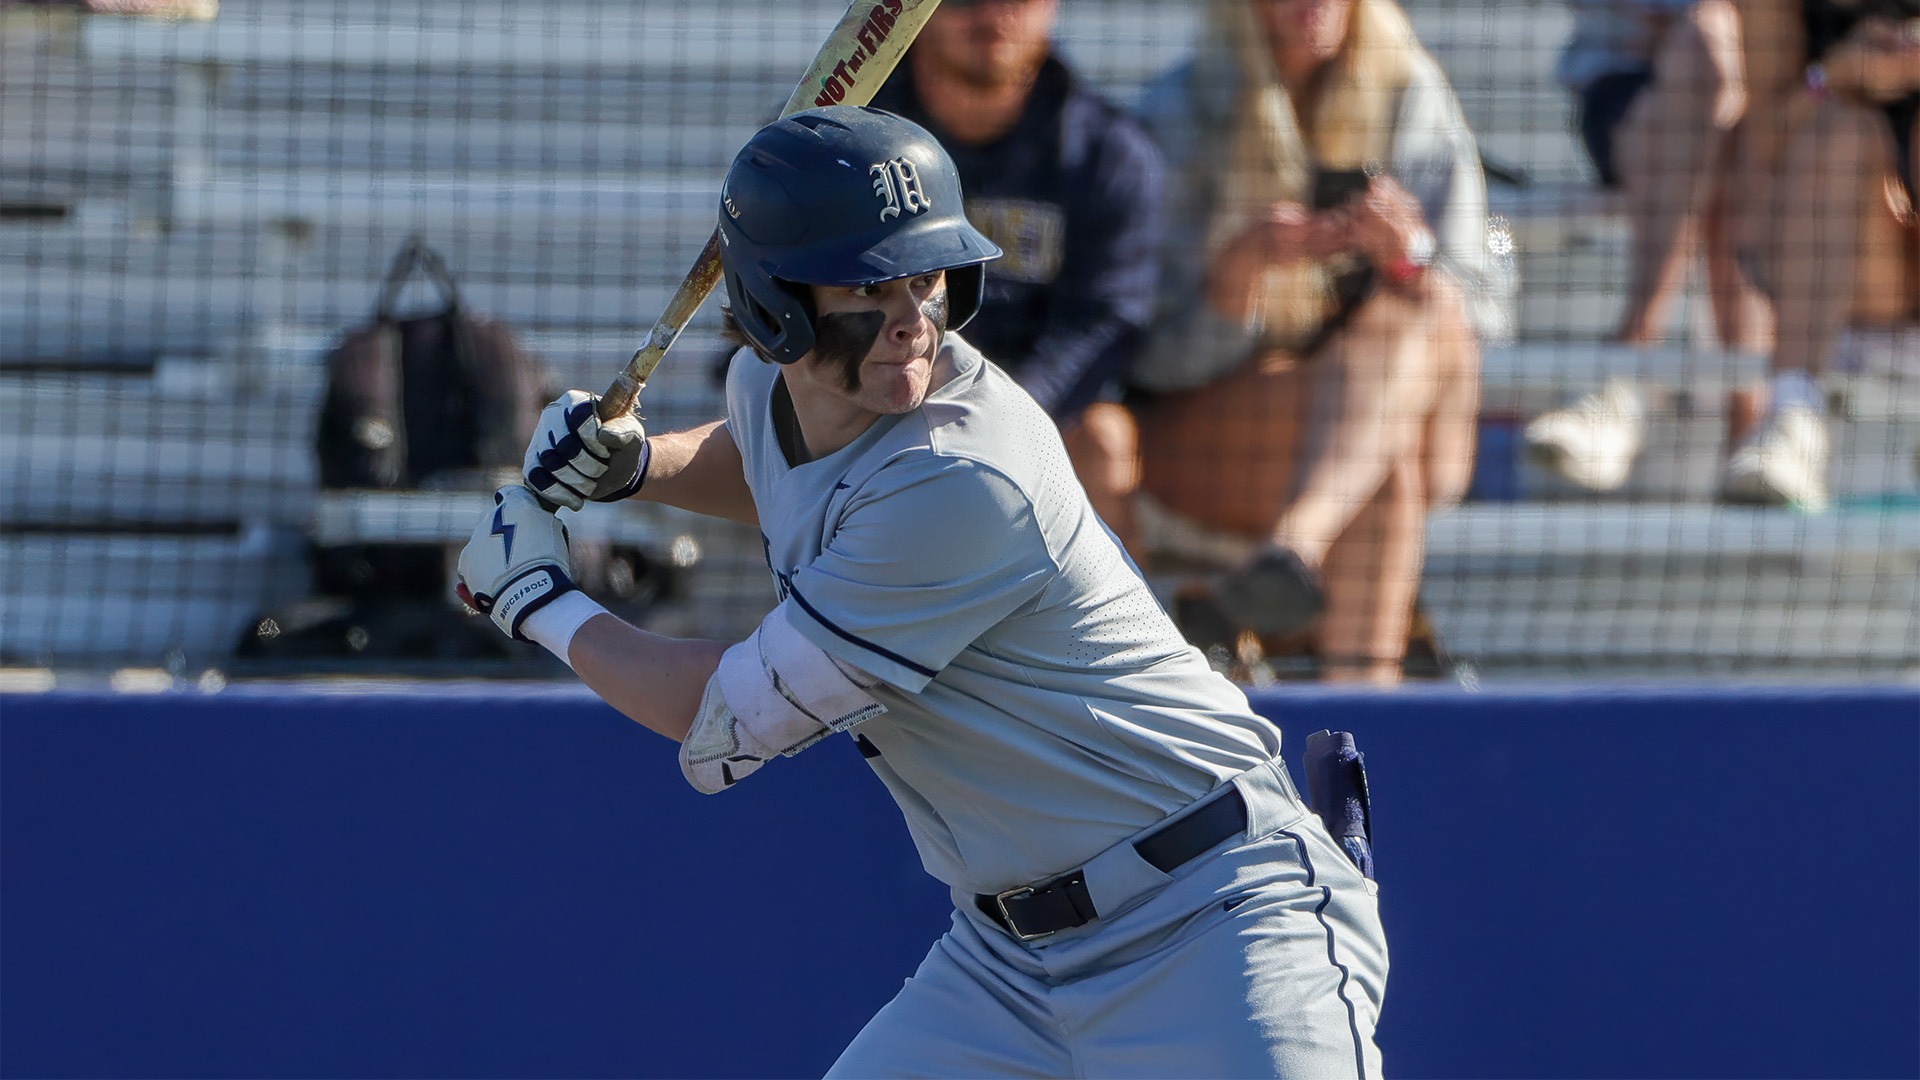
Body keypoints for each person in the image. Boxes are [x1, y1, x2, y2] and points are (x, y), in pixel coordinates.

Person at [458, 107, 1387, 1076]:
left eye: (929, 276)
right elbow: (777, 464)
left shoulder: (963, 476)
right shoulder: (771, 387)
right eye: (868, 283)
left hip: (1214, 924)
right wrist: (638, 465)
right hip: (1006, 965)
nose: (911, 316)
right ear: (775, 301)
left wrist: (537, 601)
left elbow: (725, 720)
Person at [1127, 0, 1507, 685]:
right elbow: (1143, 360)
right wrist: (1236, 283)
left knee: (1417, 307)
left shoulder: (1410, 91)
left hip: (1410, 421)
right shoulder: (1178, 110)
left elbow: (1484, 300)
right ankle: (1362, 722)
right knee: (1384, 475)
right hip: (1221, 429)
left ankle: (1293, 551)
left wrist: (1409, 256)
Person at [867, 0, 1164, 550]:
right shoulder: (845, 139)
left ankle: (1099, 638)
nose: (990, 14)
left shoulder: (1107, 154)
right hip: (870, 395)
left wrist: (996, 414)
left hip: (1036, 412)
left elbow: (1105, 323)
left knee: (1105, 438)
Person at [1526, 0, 1775, 492]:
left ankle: (1626, 369)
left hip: (1755, 98)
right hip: (1631, 94)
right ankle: (1753, 422)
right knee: (1706, 44)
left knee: (1715, 70)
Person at [1715, 0, 1918, 509]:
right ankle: (1792, 418)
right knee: (1840, 131)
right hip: (1827, 257)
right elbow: (1762, 148)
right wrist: (1832, 77)